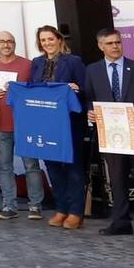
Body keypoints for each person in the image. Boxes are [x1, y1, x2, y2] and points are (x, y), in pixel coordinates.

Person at [86, 28, 134, 241]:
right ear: (100, 46)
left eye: (118, 42)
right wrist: (90, 112)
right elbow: (88, 98)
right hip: (111, 136)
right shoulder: (92, 71)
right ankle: (121, 222)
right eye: (110, 43)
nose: (115, 46)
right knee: (117, 181)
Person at [30, 25, 88, 229]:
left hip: (69, 123)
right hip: (45, 124)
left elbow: (85, 88)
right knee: (53, 168)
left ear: (59, 40)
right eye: (43, 40)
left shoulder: (73, 61)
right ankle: (61, 208)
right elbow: (32, 89)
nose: (47, 43)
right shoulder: (36, 63)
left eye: (50, 39)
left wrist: (76, 89)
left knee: (73, 168)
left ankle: (75, 212)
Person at [0, 30, 44, 220]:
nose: (6, 44)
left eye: (10, 41)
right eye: (1, 41)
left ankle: (35, 205)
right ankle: (9, 205)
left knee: (31, 165)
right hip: (0, 123)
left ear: (15, 44)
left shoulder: (27, 64)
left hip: (25, 123)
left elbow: (36, 90)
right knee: (4, 167)